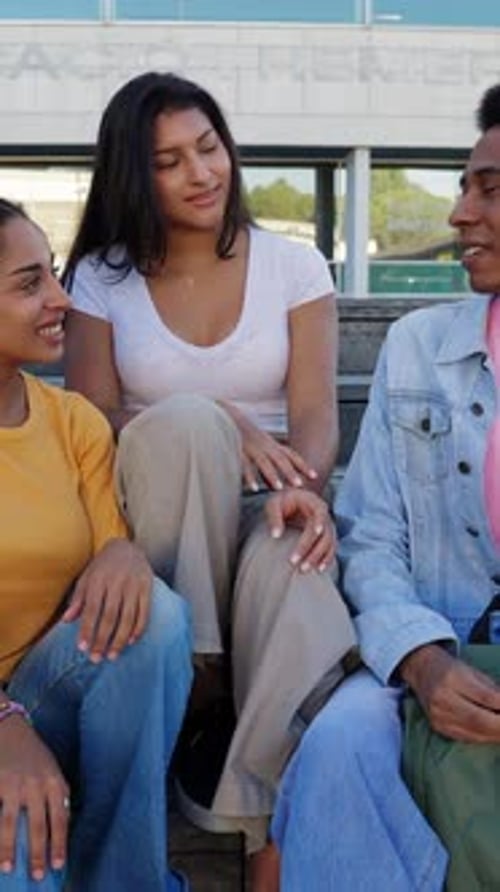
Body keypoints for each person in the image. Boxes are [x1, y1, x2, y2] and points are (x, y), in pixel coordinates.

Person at [62, 71, 357, 889]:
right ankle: (201, 682)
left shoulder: (294, 267)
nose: (202, 172)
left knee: (300, 581)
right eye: (169, 161)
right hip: (157, 514)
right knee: (186, 423)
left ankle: (267, 832)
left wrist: (306, 490)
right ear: (133, 175)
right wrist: (220, 415)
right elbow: (92, 419)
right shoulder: (102, 278)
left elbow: (315, 418)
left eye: (209, 146)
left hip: (267, 503)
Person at [269, 82, 500, 890]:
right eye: (464, 187)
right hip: (431, 653)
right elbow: (370, 534)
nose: (460, 215)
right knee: (339, 746)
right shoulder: (418, 347)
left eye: (491, 189)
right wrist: (423, 662)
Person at [0, 197, 193, 892]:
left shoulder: (73, 422)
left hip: (48, 694)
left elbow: (115, 568)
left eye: (52, 275)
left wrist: (125, 551)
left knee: (158, 617)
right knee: (19, 844)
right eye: (29, 285)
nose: (59, 299)